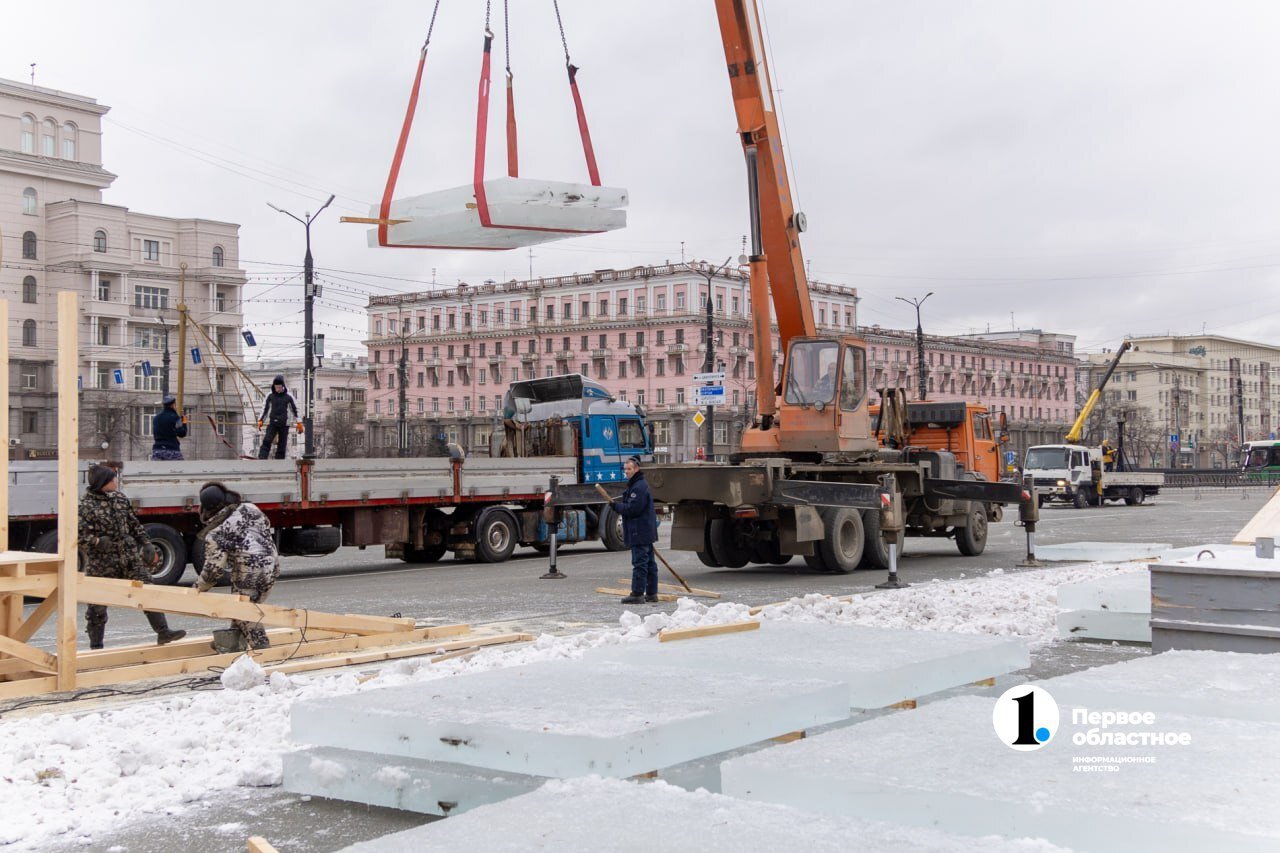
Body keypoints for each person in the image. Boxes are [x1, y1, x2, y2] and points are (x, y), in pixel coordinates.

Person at [78, 463, 187, 649]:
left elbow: (133, 524)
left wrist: (146, 543)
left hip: (128, 556)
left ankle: (163, 632)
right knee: (97, 605)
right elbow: (79, 536)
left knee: (148, 590)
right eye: (112, 479)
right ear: (103, 482)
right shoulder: (85, 506)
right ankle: (96, 646)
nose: (116, 481)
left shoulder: (120, 499)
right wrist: (96, 542)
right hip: (103, 562)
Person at [193, 481, 281, 650]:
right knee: (245, 605)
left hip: (250, 572)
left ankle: (262, 647)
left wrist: (198, 588)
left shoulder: (217, 533)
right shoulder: (251, 508)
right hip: (272, 566)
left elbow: (213, 570)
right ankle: (231, 643)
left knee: (243, 611)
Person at [611, 455, 660, 605]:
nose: (626, 472)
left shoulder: (638, 487)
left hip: (639, 530)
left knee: (640, 563)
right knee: (649, 563)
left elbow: (633, 509)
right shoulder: (637, 484)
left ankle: (637, 594)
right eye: (625, 469)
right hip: (644, 530)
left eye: (629, 469)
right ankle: (651, 593)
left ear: (636, 469)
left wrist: (616, 506)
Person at [258, 375, 299, 460]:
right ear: (274, 386)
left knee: (282, 443)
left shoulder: (288, 396)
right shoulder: (270, 396)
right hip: (273, 422)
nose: (278, 389)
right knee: (267, 439)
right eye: (276, 387)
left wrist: (299, 422)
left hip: (284, 423)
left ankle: (279, 459)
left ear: (283, 386)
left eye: (279, 387)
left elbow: (295, 410)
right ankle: (262, 457)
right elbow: (265, 408)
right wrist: (261, 420)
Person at [150, 394, 188, 461]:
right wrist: (184, 422)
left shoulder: (156, 418)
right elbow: (182, 433)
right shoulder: (176, 418)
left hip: (157, 450)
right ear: (173, 404)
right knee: (179, 470)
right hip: (172, 450)